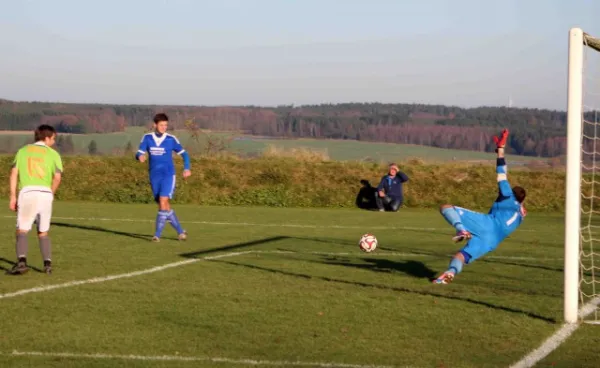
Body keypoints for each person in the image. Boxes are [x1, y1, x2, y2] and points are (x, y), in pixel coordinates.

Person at [433, 129, 527, 284]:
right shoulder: (520, 214)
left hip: (487, 225)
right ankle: (448, 275)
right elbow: (521, 204)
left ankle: (461, 229)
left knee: (446, 207)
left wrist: (501, 150)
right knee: (461, 257)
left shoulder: (508, 195)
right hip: (492, 241)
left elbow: (502, 173)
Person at [8, 124, 63, 275]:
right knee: (43, 231)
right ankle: (47, 265)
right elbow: (57, 177)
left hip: (28, 192)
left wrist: (13, 196)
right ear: (46, 138)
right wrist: (50, 193)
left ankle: (21, 262)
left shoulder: (23, 151)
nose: (53, 142)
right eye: (52, 139)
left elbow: (14, 174)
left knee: (22, 230)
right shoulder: (53, 154)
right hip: (45, 194)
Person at [136, 113, 191, 242]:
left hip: (168, 175)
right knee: (164, 205)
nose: (164, 127)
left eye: (166, 125)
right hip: (154, 176)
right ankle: (180, 232)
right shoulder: (147, 138)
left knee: (162, 201)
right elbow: (139, 152)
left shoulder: (171, 139)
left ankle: (157, 235)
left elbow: (185, 154)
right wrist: (140, 156)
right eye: (161, 125)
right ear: (155, 125)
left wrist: (187, 168)